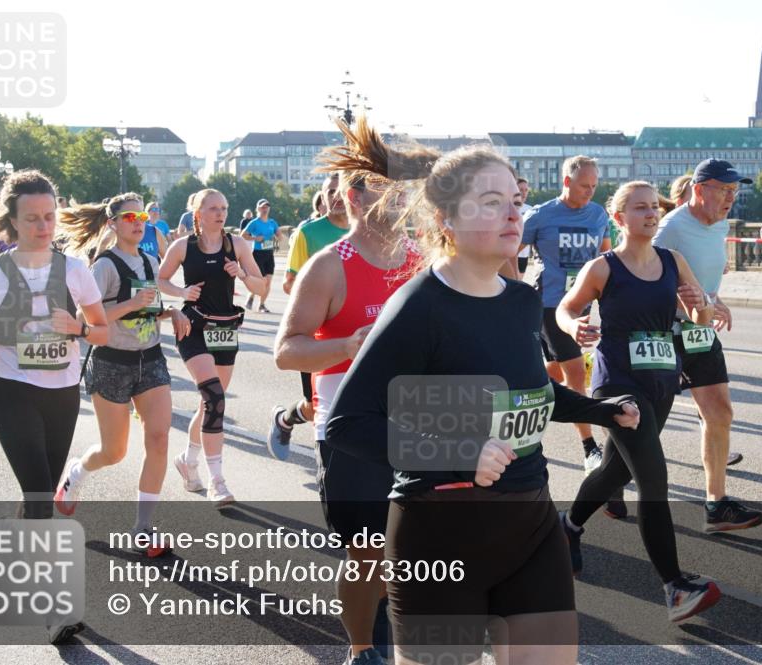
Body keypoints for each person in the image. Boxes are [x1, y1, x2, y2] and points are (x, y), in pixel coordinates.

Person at [325, 144, 640, 665]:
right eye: (492, 201)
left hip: (531, 527)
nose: (514, 213)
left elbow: (532, 395)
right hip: (438, 535)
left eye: (516, 199)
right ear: (445, 218)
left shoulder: (519, 301)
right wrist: (458, 452)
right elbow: (346, 424)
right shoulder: (417, 306)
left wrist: (604, 412)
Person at [274, 117, 423, 665]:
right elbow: (287, 351)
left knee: (408, 554)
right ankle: (363, 649)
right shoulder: (329, 266)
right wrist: (350, 345)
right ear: (356, 197)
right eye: (389, 187)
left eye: (403, 188)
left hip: (418, 424)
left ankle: (391, 640)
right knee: (367, 555)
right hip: (349, 429)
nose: (403, 198)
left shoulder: (421, 261)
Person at [557, 180, 722, 621]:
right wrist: (574, 328)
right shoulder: (602, 268)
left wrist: (699, 303)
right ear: (619, 218)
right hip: (617, 385)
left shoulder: (673, 260)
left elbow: (699, 318)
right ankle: (674, 587)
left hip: (662, 381)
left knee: (615, 471)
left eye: (654, 207)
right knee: (653, 481)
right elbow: (564, 308)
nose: (651, 214)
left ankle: (568, 526)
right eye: (640, 208)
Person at [0, 171, 108, 647]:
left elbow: (103, 332)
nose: (44, 226)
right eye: (33, 219)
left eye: (50, 216)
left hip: (62, 394)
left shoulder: (76, 270)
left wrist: (79, 328)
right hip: (10, 388)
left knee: (37, 494)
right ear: (12, 223)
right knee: (42, 497)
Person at [52, 193, 191, 553]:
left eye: (141, 215)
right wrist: (128, 304)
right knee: (114, 452)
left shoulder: (149, 259)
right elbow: (85, 321)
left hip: (151, 359)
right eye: (128, 217)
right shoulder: (104, 266)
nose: (137, 221)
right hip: (111, 362)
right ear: (113, 223)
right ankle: (75, 475)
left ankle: (143, 528)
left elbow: (151, 306)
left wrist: (171, 313)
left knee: (159, 438)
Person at [653, 159, 762, 530]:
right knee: (644, 422)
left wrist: (715, 300)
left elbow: (702, 278)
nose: (732, 198)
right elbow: (642, 279)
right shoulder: (670, 229)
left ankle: (716, 505)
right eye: (724, 190)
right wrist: (681, 302)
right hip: (665, 334)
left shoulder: (719, 225)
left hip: (700, 332)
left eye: (735, 191)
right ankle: (608, 484)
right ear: (699, 190)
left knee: (719, 413)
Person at [521, 155, 625, 517]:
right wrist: (512, 289)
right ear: (567, 182)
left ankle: (526, 398)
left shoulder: (598, 214)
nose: (591, 191)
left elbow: (606, 254)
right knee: (577, 373)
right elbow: (511, 251)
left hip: (584, 303)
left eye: (595, 186)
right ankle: (590, 448)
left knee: (554, 375)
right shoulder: (540, 216)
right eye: (584, 185)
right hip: (550, 306)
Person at [158, 188, 265, 506]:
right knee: (215, 398)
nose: (221, 213)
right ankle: (218, 481)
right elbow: (160, 280)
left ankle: (187, 460)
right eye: (213, 208)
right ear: (198, 213)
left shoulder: (238, 244)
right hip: (192, 326)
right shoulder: (182, 246)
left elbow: (261, 286)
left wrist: (243, 274)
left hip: (226, 327)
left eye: (224, 208)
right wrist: (182, 291)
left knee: (209, 404)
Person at [269, 175, 350, 454]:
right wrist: (323, 298)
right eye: (331, 191)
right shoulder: (309, 233)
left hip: (356, 331)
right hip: (317, 334)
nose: (337, 197)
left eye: (342, 191)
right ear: (322, 197)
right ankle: (284, 420)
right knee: (316, 405)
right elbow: (290, 282)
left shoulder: (367, 232)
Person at [244, 199, 282, 313]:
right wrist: (255, 238)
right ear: (258, 209)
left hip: (269, 253)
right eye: (263, 207)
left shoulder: (272, 222)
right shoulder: (254, 222)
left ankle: (261, 305)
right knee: (260, 281)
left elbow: (280, 235)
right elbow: (243, 235)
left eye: (267, 207)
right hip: (258, 254)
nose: (265, 209)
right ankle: (251, 296)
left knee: (268, 281)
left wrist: (277, 237)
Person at [516, 177, 532, 275]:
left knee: (520, 285)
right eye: (520, 190)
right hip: (508, 254)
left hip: (524, 255)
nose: (524, 193)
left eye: (526, 190)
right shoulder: (506, 208)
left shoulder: (530, 210)